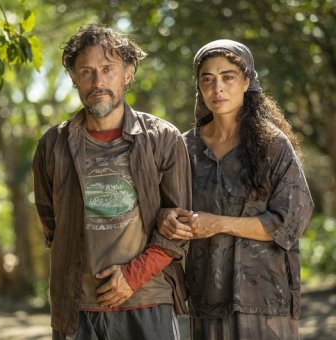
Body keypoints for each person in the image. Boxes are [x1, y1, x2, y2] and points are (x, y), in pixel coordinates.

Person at [32, 24, 192, 340]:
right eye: (87, 72)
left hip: (147, 303)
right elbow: (52, 225)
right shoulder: (52, 146)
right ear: (73, 79)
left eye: (108, 69)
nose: (98, 81)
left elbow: (181, 225)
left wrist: (133, 276)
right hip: (77, 309)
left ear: (128, 73)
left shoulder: (162, 139)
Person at [157, 39, 314, 339]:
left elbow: (291, 220)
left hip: (264, 298)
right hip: (206, 294)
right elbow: (166, 205)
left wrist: (218, 224)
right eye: (208, 79)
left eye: (228, 76)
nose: (218, 88)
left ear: (246, 81)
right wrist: (166, 216)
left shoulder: (273, 145)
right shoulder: (184, 147)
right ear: (199, 87)